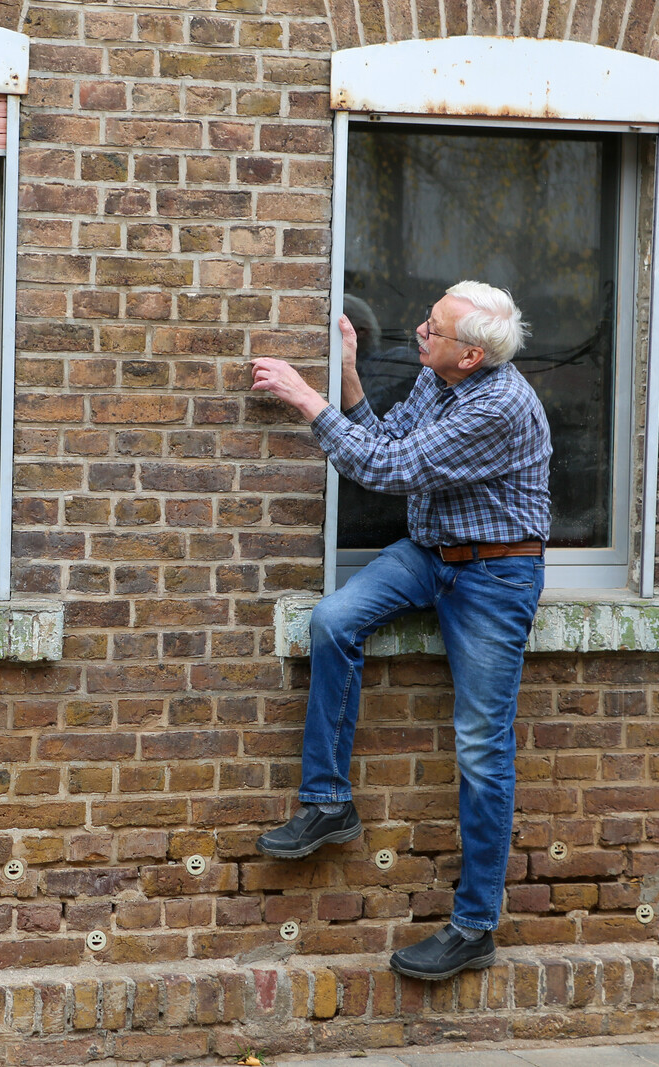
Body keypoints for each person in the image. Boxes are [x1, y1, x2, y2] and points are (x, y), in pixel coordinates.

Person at [248, 281, 552, 982]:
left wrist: (306, 396)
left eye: (432, 329)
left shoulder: (499, 407)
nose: (419, 332)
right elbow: (386, 439)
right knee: (334, 621)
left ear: (470, 354)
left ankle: (474, 925)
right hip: (429, 554)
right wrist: (350, 376)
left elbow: (387, 470)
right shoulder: (438, 378)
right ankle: (327, 802)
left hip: (495, 576)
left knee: (482, 745)